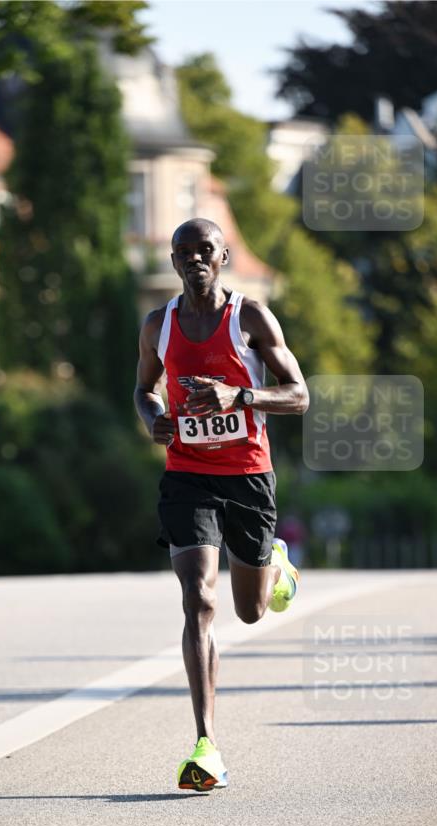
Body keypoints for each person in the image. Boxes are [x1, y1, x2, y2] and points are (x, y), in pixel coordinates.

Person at [134, 218, 309, 792]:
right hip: (186, 473)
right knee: (198, 599)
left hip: (248, 475)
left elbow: (299, 396)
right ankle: (207, 744)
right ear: (174, 261)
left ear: (224, 255)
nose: (194, 260)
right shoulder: (158, 325)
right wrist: (152, 418)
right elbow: (144, 387)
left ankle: (274, 562)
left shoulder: (251, 318)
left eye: (204, 250)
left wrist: (242, 395)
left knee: (252, 610)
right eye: (183, 253)